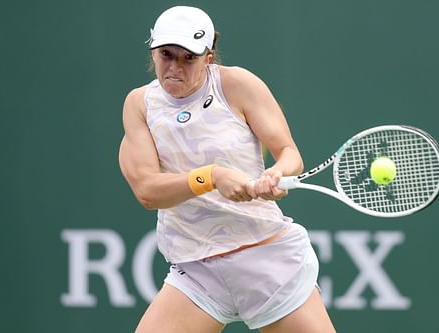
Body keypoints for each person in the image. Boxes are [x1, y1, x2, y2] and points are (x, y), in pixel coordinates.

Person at [119, 5, 336, 333]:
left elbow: (288, 153)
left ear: (208, 56)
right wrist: (212, 176)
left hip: (266, 260)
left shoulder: (236, 85)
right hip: (197, 271)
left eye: (188, 58)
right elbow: (147, 192)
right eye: (166, 54)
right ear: (153, 51)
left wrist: (276, 174)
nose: (175, 67)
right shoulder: (139, 104)